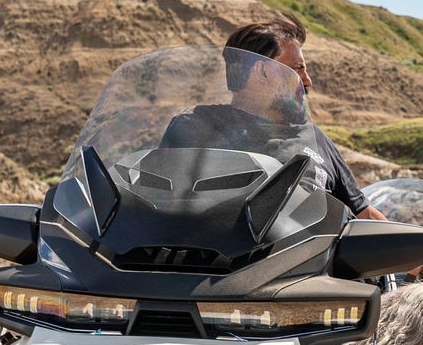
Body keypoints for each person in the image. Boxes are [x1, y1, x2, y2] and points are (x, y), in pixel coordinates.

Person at [161, 15, 386, 219]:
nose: (307, 81)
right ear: (262, 71)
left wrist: (405, 246)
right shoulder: (196, 125)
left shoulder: (317, 139)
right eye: (297, 69)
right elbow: (158, 201)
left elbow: (366, 215)